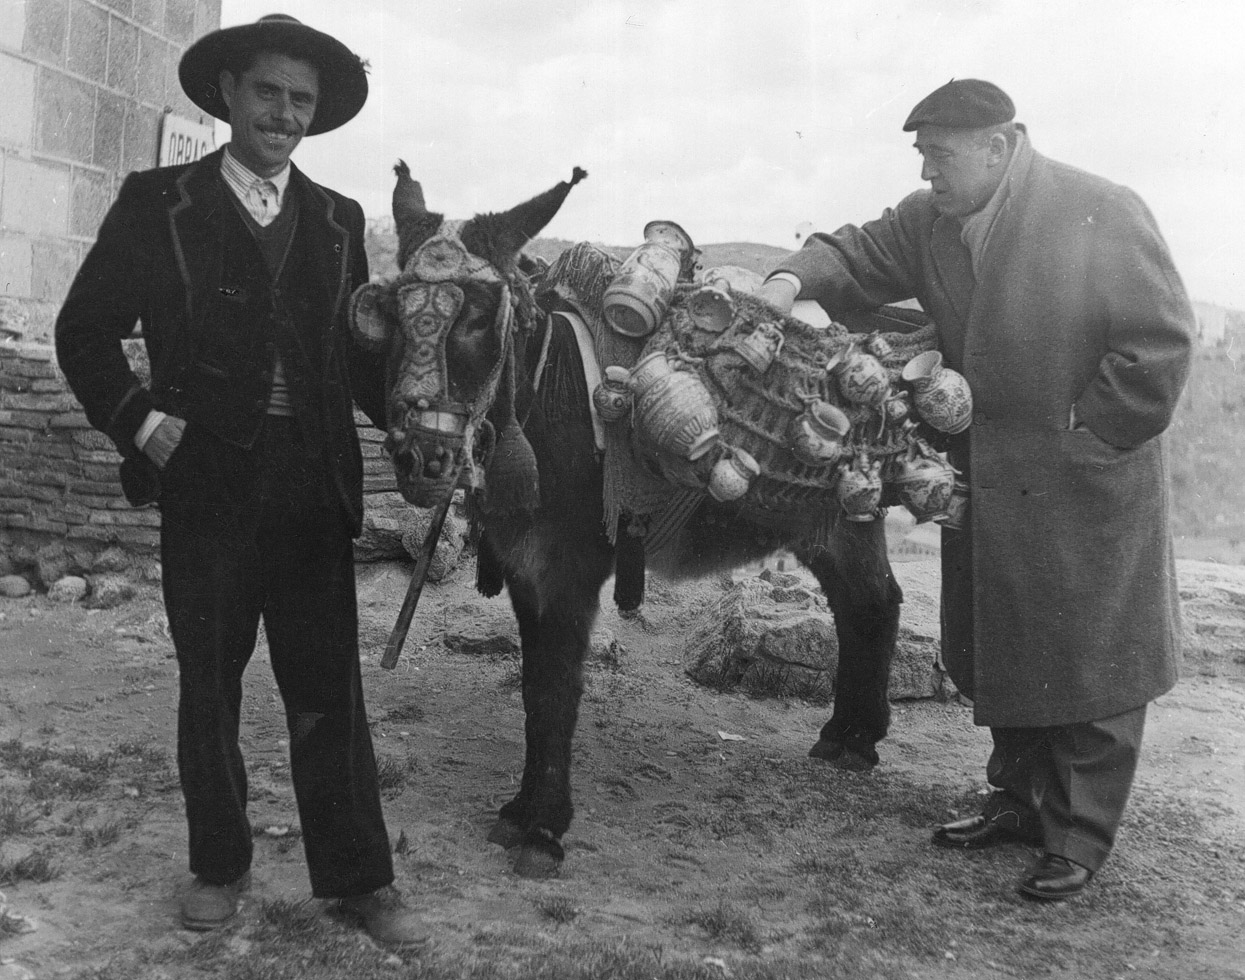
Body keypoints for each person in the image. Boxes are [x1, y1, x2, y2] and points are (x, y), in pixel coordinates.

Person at [758, 78, 1193, 901]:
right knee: (1003, 639)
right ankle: (1020, 802)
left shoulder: (1100, 207)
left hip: (1083, 480)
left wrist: (1083, 436)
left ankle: (1078, 835)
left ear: (999, 146)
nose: (927, 174)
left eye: (940, 156)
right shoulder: (930, 221)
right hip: (986, 479)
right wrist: (787, 279)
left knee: (1091, 653)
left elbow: (1159, 345)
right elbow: (851, 253)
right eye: (920, 158)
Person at [54, 15, 428, 943]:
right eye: (269, 93)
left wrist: (420, 430)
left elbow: (353, 359)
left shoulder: (339, 220)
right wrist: (142, 422)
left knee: (327, 686)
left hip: (312, 486)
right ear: (228, 92)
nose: (285, 115)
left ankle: (357, 880)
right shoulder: (157, 202)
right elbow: (83, 333)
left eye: (301, 101)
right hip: (206, 483)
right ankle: (218, 865)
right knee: (209, 682)